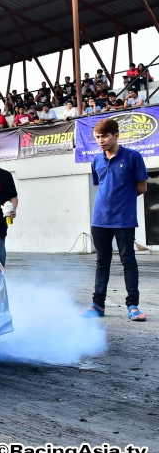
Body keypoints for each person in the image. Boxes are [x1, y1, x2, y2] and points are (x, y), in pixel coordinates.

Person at [81, 119, 148, 321]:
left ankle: (133, 306)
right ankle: (98, 305)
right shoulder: (96, 161)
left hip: (124, 219)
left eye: (105, 136)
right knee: (102, 262)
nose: (101, 141)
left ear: (116, 135)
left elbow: (142, 187)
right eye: (98, 137)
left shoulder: (133, 157)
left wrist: (122, 200)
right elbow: (101, 187)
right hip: (99, 219)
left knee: (128, 261)